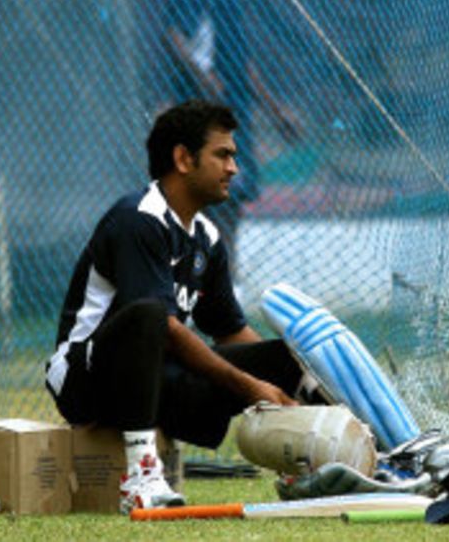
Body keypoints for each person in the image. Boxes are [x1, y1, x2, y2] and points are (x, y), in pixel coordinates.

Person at [44, 99, 302, 513]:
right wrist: (248, 386)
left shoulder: (207, 238)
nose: (234, 168)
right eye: (222, 155)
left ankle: (322, 462)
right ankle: (140, 476)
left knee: (288, 357)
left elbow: (230, 330)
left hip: (156, 384)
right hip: (86, 381)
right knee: (150, 316)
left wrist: (281, 384)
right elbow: (160, 326)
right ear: (183, 159)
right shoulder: (137, 219)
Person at [148, 0, 296, 260]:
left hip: (235, 107)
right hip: (204, 110)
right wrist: (203, 78)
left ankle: (228, 280)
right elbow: (174, 35)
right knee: (205, 201)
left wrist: (275, 110)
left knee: (232, 199)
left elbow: (240, 58)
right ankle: (197, 279)